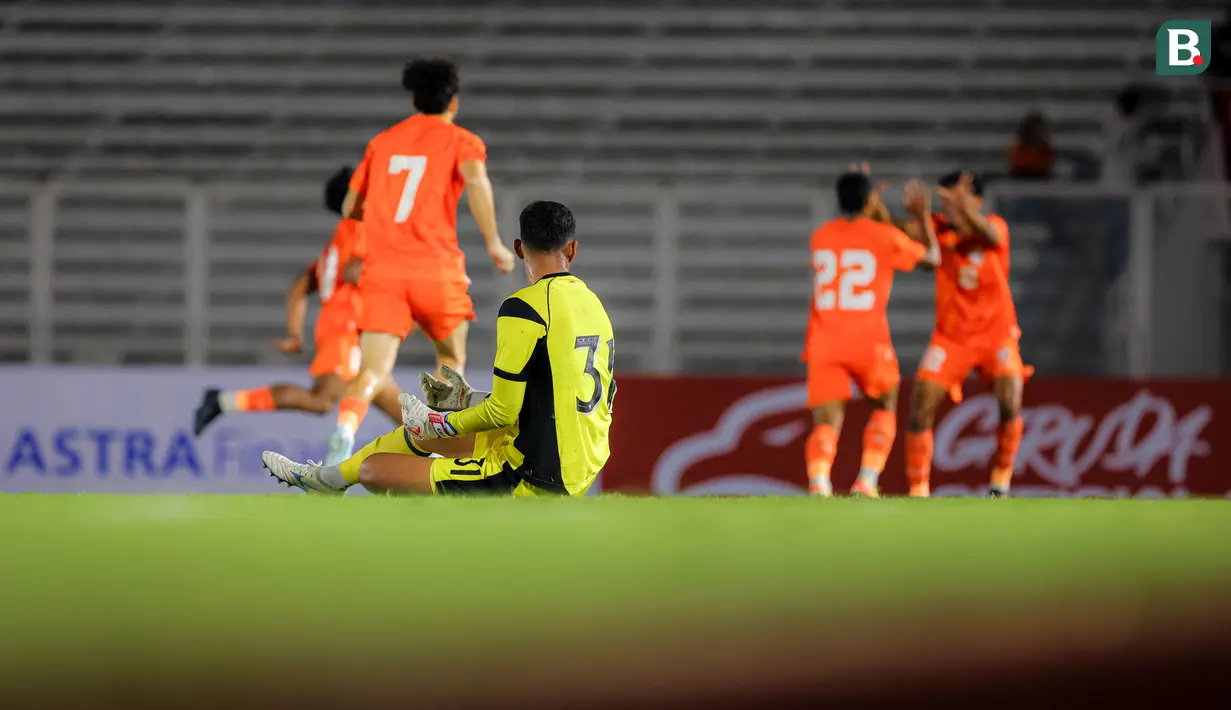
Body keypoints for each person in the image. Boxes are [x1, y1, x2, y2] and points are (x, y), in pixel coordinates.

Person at [263, 201, 614, 497]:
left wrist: (441, 424)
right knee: (415, 434)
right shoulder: (595, 307)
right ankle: (325, 480)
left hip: (535, 473)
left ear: (520, 248)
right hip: (583, 462)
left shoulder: (524, 307)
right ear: (572, 249)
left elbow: (504, 413)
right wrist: (466, 401)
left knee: (373, 471)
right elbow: (558, 394)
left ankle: (337, 485)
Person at [326, 57, 517, 465]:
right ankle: (453, 455)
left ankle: (343, 433)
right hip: (437, 269)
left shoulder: (383, 142)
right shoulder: (462, 140)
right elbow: (478, 182)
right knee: (450, 362)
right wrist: (495, 244)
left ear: (413, 99)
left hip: (384, 273)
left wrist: (381, 213)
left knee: (374, 371)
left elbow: (348, 207)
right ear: (454, 104)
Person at [192, 167, 402, 436]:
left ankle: (442, 453)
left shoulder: (339, 240)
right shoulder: (359, 229)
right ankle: (222, 401)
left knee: (386, 396)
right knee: (324, 400)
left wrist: (294, 331)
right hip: (347, 329)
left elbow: (300, 286)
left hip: (342, 327)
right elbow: (355, 271)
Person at [802, 169, 939, 498]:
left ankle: (819, 483)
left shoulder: (820, 236)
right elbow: (933, 260)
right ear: (869, 201)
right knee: (884, 406)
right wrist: (921, 218)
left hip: (825, 340)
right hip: (868, 339)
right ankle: (867, 479)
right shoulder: (882, 235)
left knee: (826, 421)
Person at [903, 172, 1031, 498]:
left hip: (996, 334)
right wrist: (914, 214)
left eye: (955, 201)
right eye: (945, 202)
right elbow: (901, 231)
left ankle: (1000, 484)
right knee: (920, 407)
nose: (949, 209)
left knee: (1010, 399)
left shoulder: (995, 226)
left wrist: (966, 210)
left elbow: (991, 236)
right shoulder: (939, 230)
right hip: (951, 338)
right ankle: (919, 491)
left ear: (975, 201)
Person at [1008, 112, 1055, 179]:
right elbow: (1017, 169)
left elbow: (1046, 169)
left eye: (1041, 128)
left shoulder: (1047, 150)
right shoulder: (1019, 149)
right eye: (1037, 128)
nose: (1039, 132)